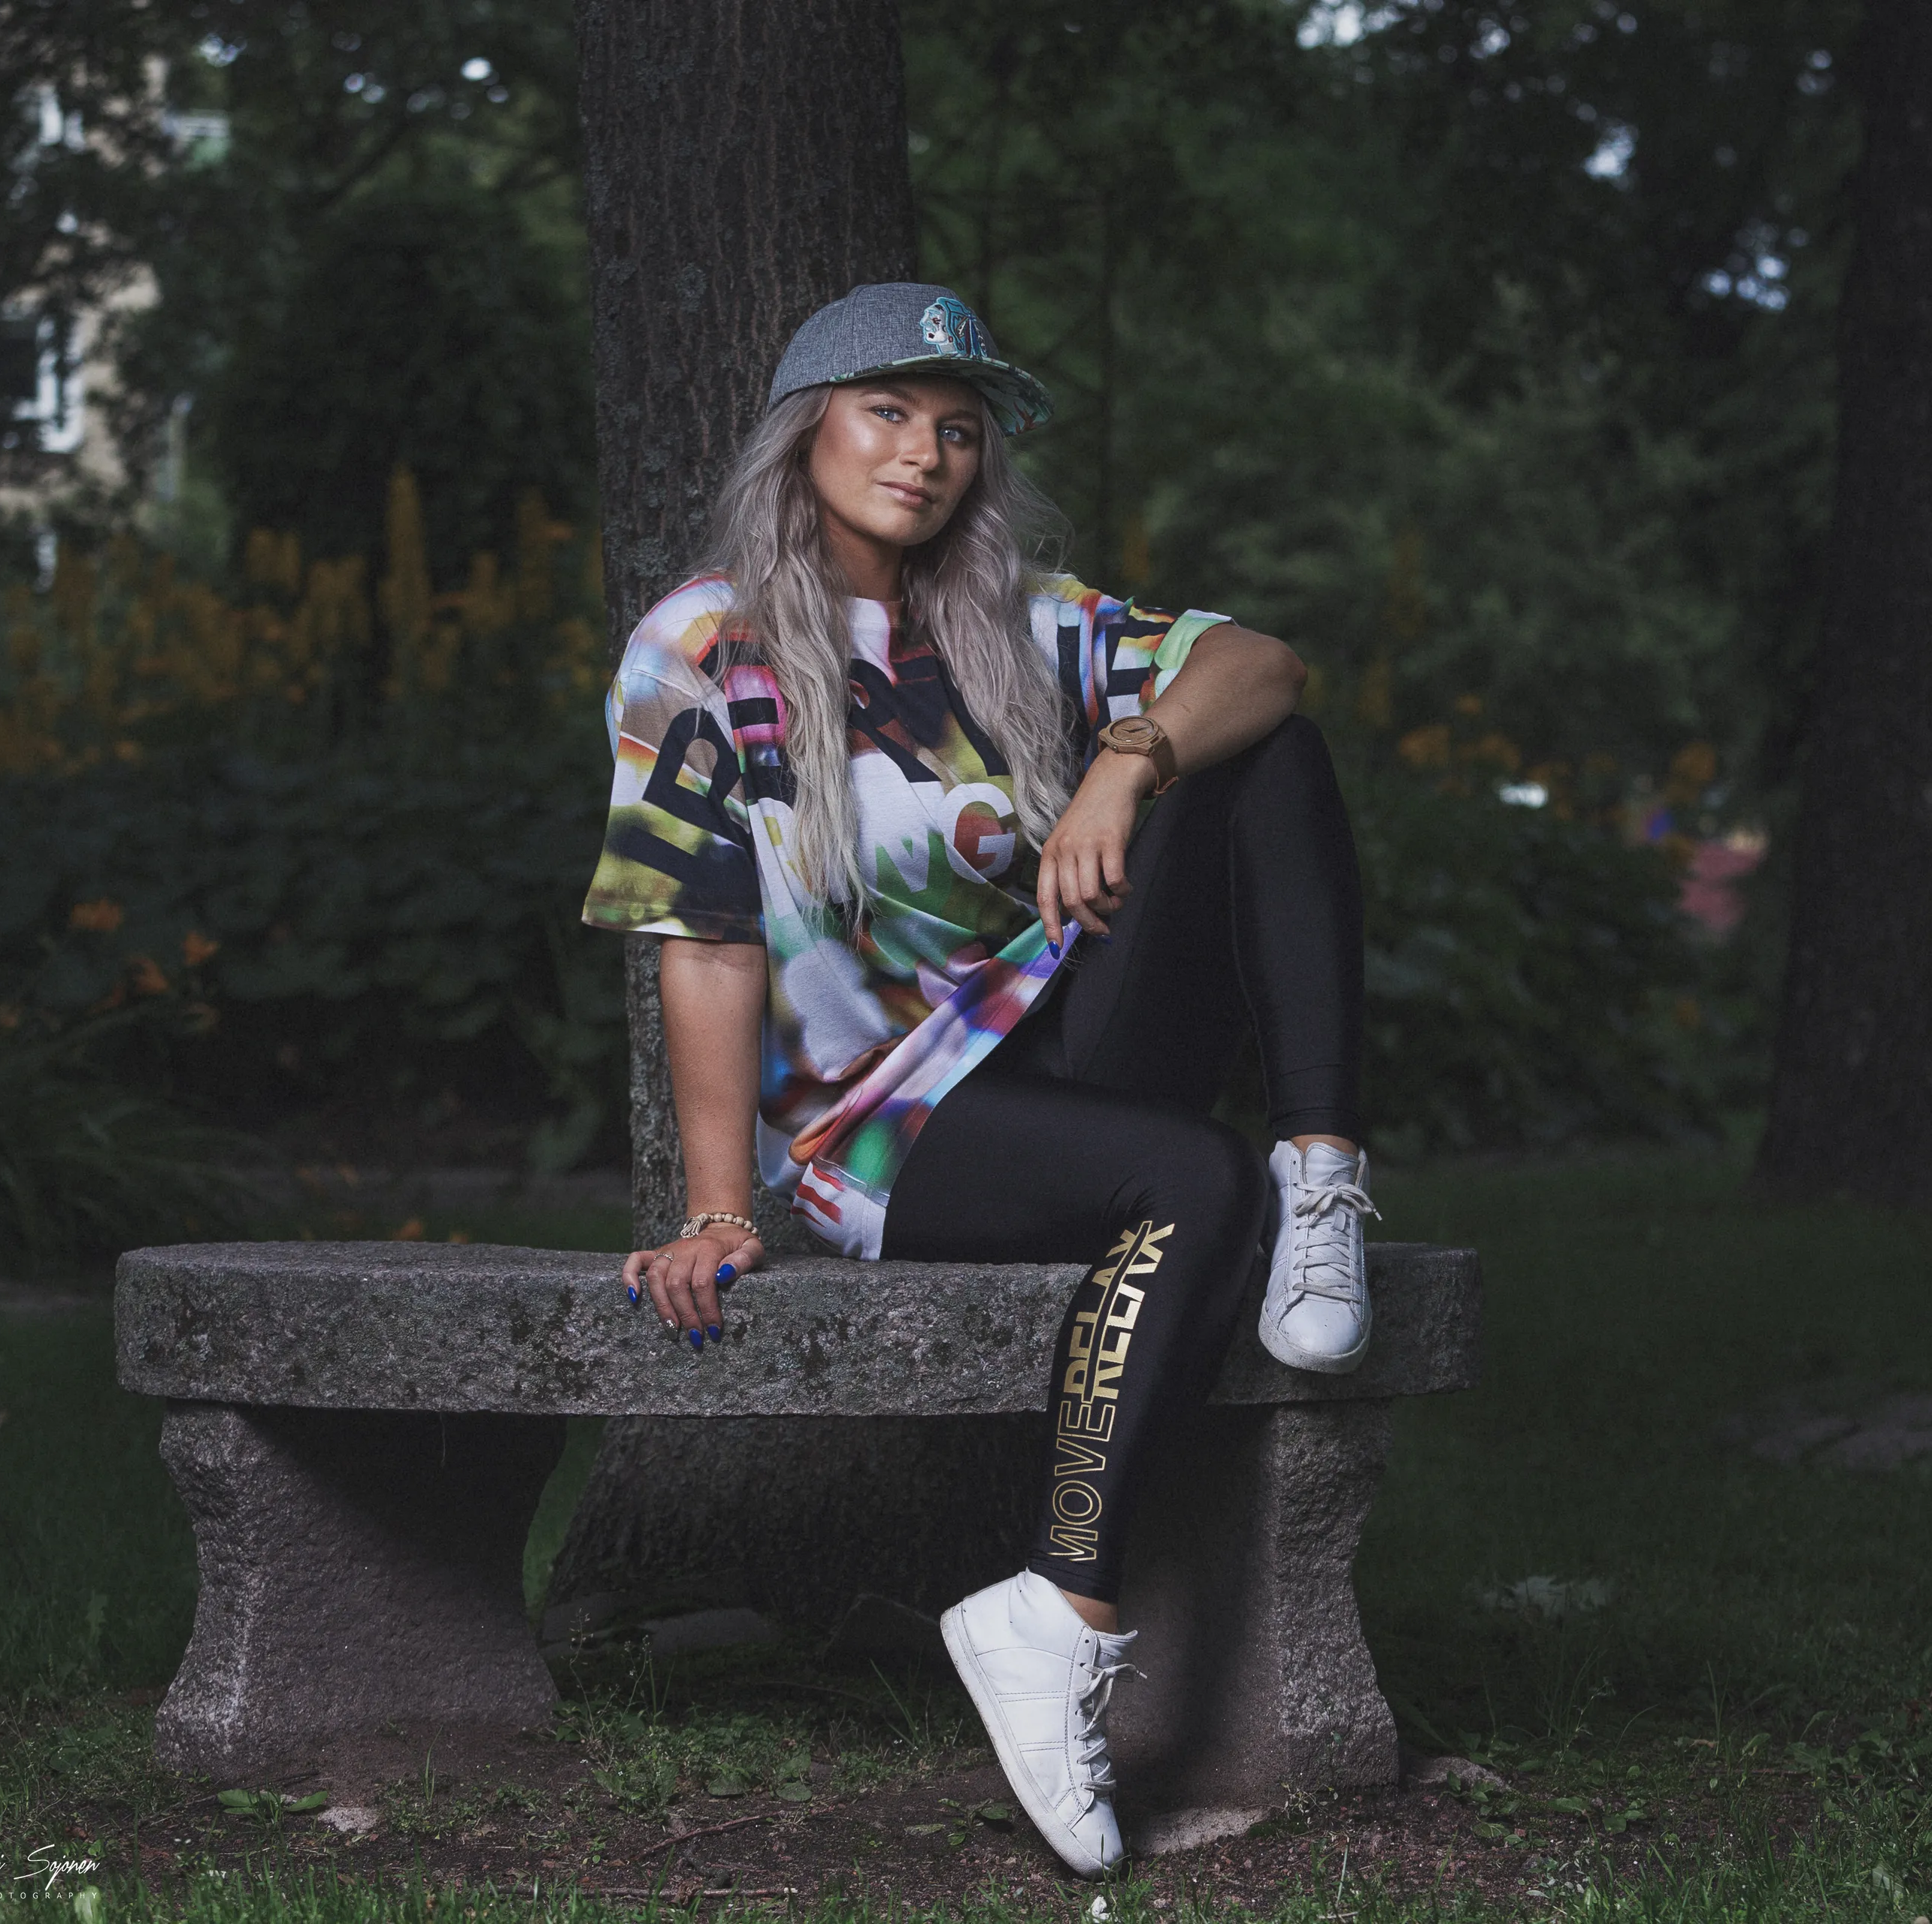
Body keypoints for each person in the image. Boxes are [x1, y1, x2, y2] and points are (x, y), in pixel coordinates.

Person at [580, 283, 1376, 1879]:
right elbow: (706, 940)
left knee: (1262, 745)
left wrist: (1126, 762)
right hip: (886, 1123)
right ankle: (1059, 1608)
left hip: (1054, 1022)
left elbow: (1265, 662)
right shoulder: (704, 645)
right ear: (806, 431)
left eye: (957, 429)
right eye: (888, 413)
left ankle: (1323, 1170)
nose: (925, 454)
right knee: (1189, 1180)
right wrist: (721, 1207)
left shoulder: (1019, 619)